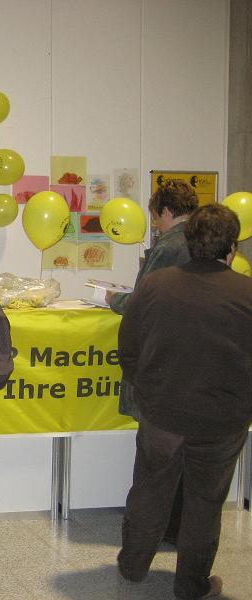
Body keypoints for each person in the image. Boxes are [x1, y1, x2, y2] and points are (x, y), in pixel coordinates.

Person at [116, 204, 252, 600]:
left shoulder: (155, 286)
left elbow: (128, 347)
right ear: (232, 248)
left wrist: (147, 389)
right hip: (221, 421)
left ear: (189, 242)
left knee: (148, 490)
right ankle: (191, 586)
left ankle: (132, 566)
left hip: (161, 413)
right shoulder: (247, 293)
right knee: (204, 503)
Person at [107, 180, 198, 545]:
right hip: (190, 366)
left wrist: (114, 299)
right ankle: (177, 527)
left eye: (156, 217)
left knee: (155, 458)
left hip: (160, 365)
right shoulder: (204, 242)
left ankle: (148, 532)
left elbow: (143, 302)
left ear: (165, 211)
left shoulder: (169, 246)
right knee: (185, 456)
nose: (155, 225)